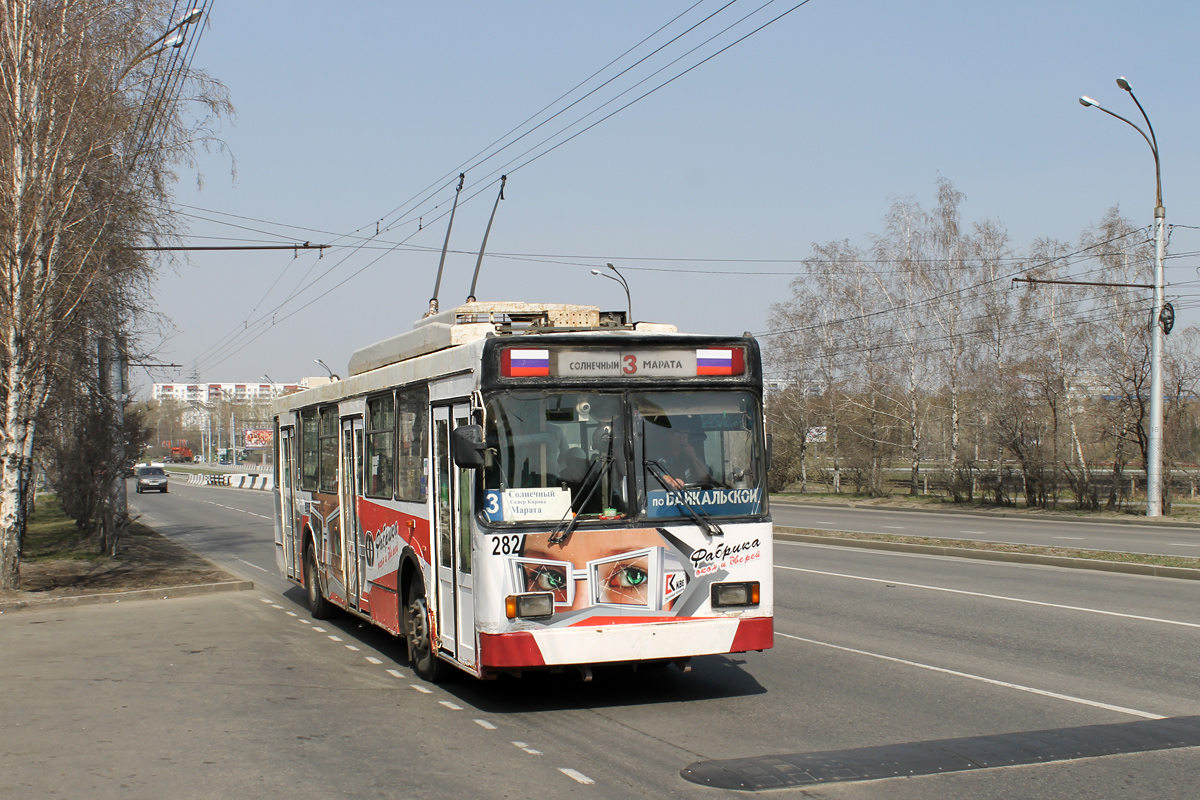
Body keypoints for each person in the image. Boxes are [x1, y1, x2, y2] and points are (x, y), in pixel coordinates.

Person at [646, 421, 713, 490]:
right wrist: (672, 482)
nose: (681, 438)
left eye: (685, 434)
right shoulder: (662, 456)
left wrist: (694, 458)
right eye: (677, 433)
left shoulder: (690, 456)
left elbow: (706, 478)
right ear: (669, 435)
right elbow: (660, 472)